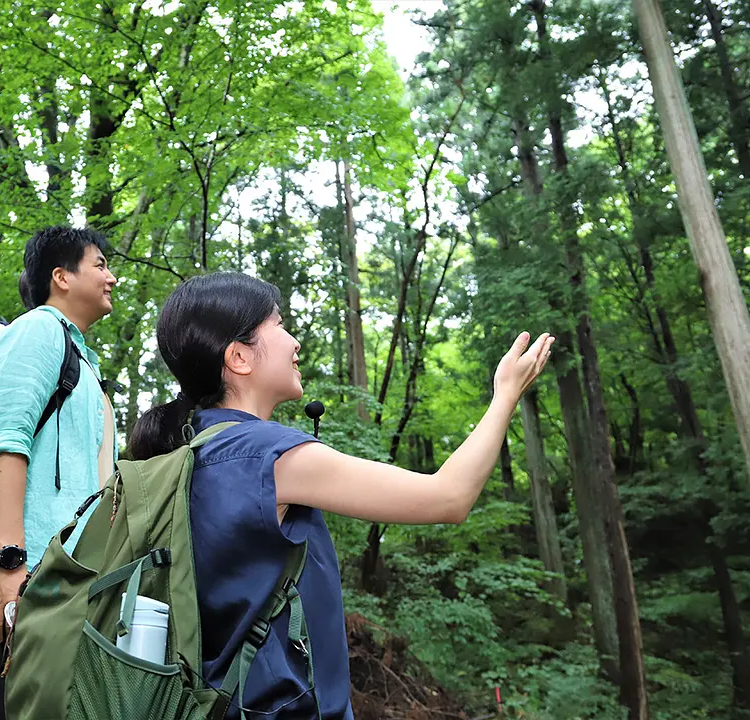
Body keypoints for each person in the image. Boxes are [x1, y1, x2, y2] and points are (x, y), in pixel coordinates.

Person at [126, 273, 554, 719]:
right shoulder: (267, 454)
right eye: (279, 325)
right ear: (239, 357)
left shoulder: (189, 453)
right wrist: (505, 395)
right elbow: (449, 496)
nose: (294, 343)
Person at [0, 227, 118, 720]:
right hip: (18, 574)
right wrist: (8, 559)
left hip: (57, 579)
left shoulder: (83, 360)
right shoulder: (37, 330)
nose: (111, 277)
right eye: (99, 265)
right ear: (61, 277)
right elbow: (7, 442)